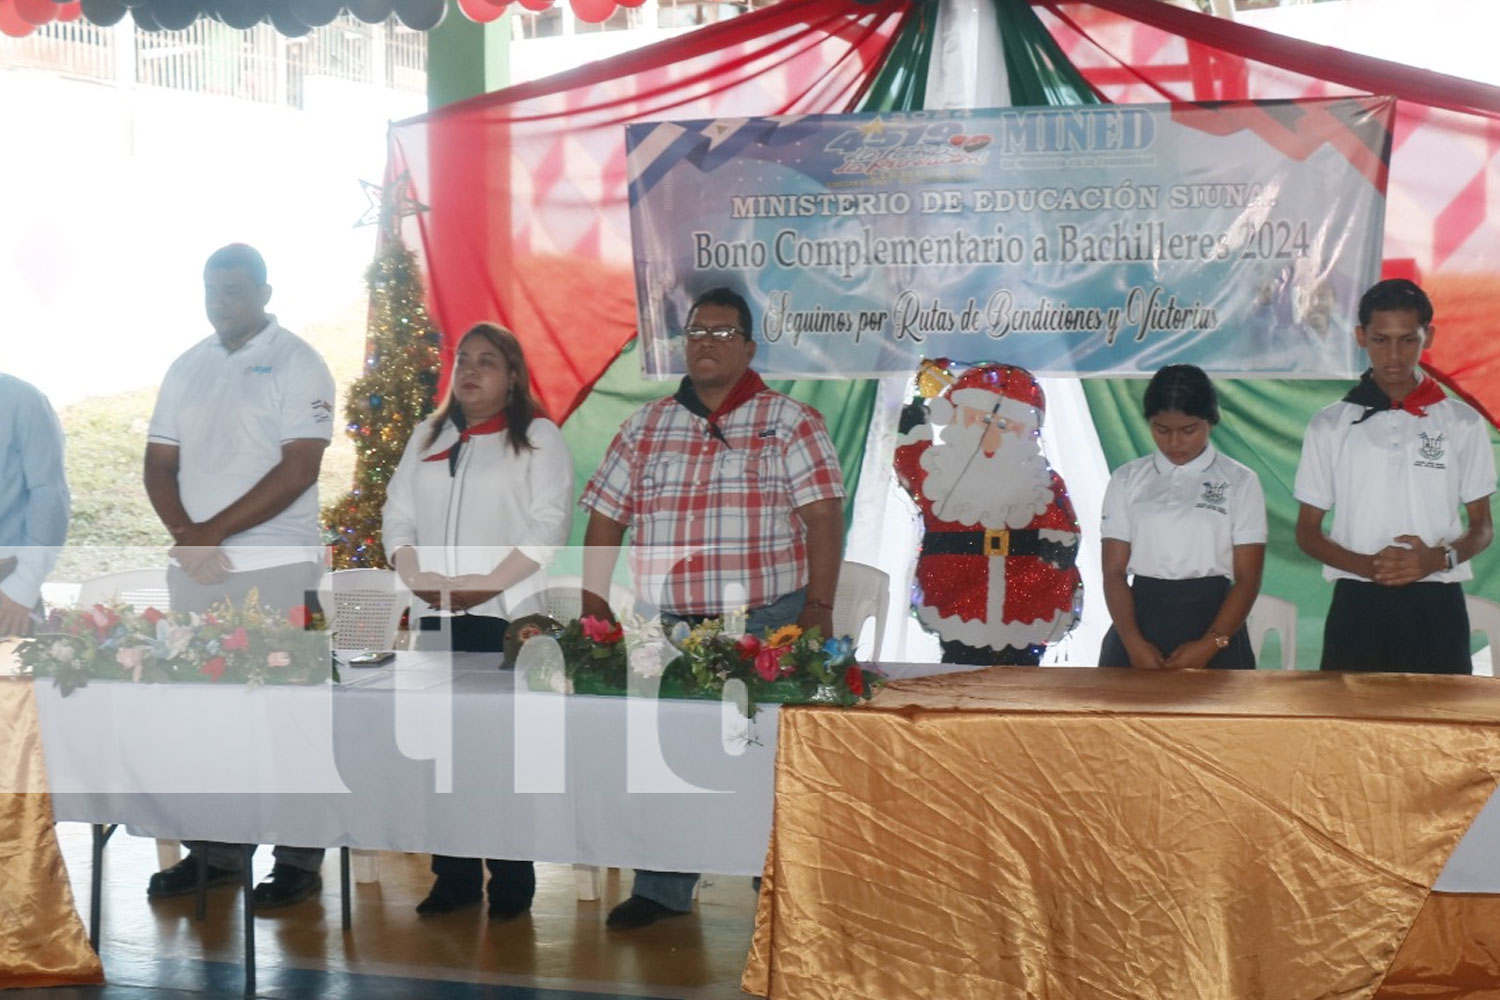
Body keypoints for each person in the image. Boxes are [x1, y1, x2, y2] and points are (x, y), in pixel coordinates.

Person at [579, 286, 845, 930]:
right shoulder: (645, 426)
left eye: (724, 333)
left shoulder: (790, 421)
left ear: (750, 348)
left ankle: (779, 884)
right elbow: (606, 520)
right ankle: (664, 888)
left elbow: (823, 517)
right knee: (668, 760)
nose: (706, 342)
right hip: (665, 627)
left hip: (765, 621)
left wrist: (817, 604)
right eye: (698, 331)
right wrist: (591, 606)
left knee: (767, 760)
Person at [142, 243, 337, 910]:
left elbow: (299, 469)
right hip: (199, 571)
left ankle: (298, 862)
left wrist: (211, 532)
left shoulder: (298, 361)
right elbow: (158, 464)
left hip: (278, 566)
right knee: (206, 721)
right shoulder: (186, 366)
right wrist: (188, 538)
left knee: (290, 719)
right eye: (211, 288)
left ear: (264, 290)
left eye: (234, 288)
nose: (221, 300)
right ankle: (217, 855)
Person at [382, 321, 574, 920]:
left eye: (487, 362)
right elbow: (398, 513)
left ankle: (513, 879)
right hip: (438, 615)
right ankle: (455, 876)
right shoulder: (427, 435)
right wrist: (413, 576)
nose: (469, 371)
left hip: (509, 618)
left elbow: (550, 525)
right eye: (463, 360)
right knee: (442, 752)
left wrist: (486, 586)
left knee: (502, 754)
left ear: (513, 375)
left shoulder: (539, 438)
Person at [1294, 278, 1495, 673]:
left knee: (1438, 731)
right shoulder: (1330, 424)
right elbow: (1307, 532)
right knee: (1351, 729)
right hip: (1357, 604)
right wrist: (1368, 567)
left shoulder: (1462, 422)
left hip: (1437, 604)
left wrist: (1436, 559)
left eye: (1408, 340)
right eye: (1381, 340)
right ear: (1360, 337)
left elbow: (1482, 526)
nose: (1394, 356)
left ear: (1429, 336)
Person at [894, 361, 1082, 665]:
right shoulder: (941, 470)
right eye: (981, 421)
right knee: (960, 669)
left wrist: (1060, 543)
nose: (991, 435)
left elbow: (1062, 521)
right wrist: (913, 426)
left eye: (1006, 425)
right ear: (956, 417)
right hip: (957, 592)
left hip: (1027, 599)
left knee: (1022, 676)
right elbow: (913, 469)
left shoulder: (1041, 480)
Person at [1098, 365, 1266, 670]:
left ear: (1210, 422)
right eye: (1161, 430)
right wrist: (1133, 644)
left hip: (1216, 624)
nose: (1174, 443)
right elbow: (1113, 572)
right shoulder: (1127, 479)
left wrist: (1209, 645)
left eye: (1188, 430)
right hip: (1139, 622)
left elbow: (1248, 578)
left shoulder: (1240, 481)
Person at [0, 374, 70, 637]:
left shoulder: (22, 401)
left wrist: (22, 586)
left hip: (7, 588)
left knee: (10, 678)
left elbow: (50, 497)